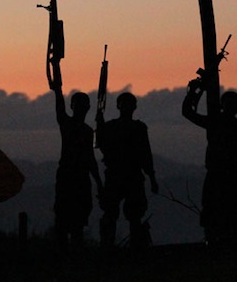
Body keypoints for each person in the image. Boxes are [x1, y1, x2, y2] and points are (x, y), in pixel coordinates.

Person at [182, 85, 237, 243]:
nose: (232, 108)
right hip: (221, 176)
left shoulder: (232, 126)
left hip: (229, 177)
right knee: (216, 213)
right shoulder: (225, 124)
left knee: (229, 215)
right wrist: (194, 91)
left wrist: (194, 92)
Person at [50, 60, 103, 253]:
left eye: (83, 105)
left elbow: (90, 158)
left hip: (80, 178)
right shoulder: (67, 124)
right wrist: (57, 79)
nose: (82, 108)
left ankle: (73, 257)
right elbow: (58, 104)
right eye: (78, 105)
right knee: (64, 222)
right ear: (74, 107)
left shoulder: (88, 131)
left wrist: (98, 182)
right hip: (68, 177)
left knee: (78, 223)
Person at [96, 92, 158, 249]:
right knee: (112, 215)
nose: (127, 107)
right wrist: (100, 126)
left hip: (130, 176)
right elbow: (100, 146)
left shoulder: (138, 128)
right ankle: (109, 247)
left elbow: (146, 155)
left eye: (129, 103)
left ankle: (132, 248)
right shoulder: (113, 127)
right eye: (124, 103)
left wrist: (152, 178)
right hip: (118, 176)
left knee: (133, 215)